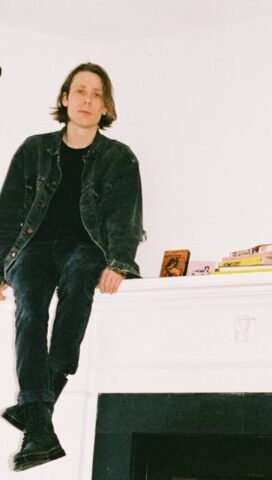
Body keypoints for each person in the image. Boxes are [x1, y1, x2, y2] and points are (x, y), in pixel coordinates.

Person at [0, 63, 144, 471]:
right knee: (30, 308)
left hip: (86, 248)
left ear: (106, 106)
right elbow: (8, 213)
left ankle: (34, 413)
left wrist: (119, 262)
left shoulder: (119, 158)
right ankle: (39, 424)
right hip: (33, 247)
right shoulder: (33, 149)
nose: (87, 100)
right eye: (80, 91)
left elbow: (126, 217)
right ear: (65, 99)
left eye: (97, 94)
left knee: (78, 287)